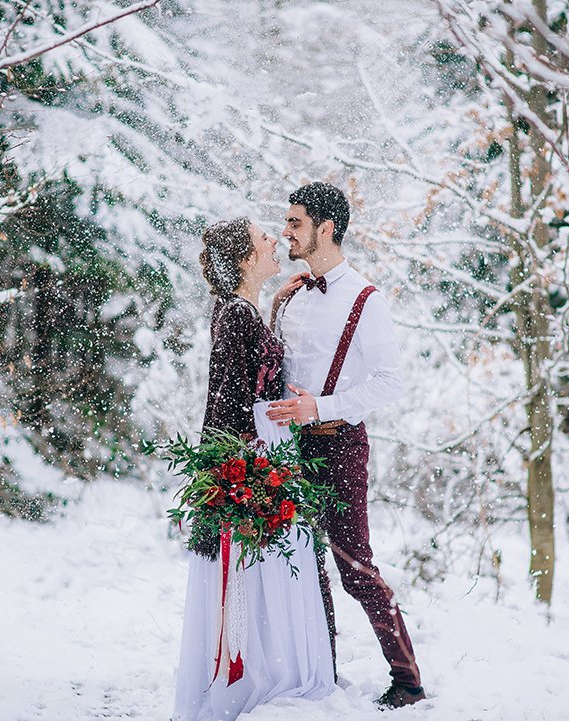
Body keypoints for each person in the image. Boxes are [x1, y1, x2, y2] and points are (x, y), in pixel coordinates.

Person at [266, 183, 427, 710]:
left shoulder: (366, 299)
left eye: (295, 222)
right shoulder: (288, 294)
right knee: (299, 566)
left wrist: (323, 407)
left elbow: (390, 381)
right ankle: (319, 676)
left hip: (339, 445)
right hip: (286, 449)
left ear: (326, 227)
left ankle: (408, 680)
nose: (286, 231)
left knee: (353, 566)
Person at [173, 217, 336, 721]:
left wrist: (276, 304)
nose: (273, 239)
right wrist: (242, 470)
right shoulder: (235, 317)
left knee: (271, 570)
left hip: (267, 447)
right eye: (262, 237)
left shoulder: (240, 311)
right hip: (257, 455)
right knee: (262, 569)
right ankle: (267, 673)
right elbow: (226, 400)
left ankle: (273, 663)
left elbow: (250, 372)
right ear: (246, 259)